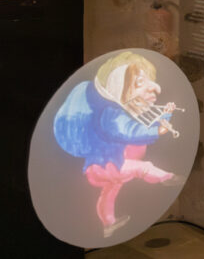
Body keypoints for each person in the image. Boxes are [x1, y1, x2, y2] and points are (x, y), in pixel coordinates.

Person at [54, 51, 182, 238]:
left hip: (104, 167)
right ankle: (167, 177)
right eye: (139, 82)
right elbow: (130, 131)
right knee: (143, 168)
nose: (154, 88)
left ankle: (108, 224)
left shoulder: (118, 110)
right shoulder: (111, 113)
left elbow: (145, 123)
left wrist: (166, 115)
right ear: (118, 84)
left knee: (110, 192)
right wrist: (157, 131)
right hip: (109, 165)